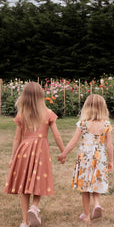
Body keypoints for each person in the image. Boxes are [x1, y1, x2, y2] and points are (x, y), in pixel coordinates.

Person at [4, 82, 65, 227]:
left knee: (25, 186)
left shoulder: (22, 114)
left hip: (24, 151)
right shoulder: (48, 113)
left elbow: (17, 138)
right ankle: (34, 207)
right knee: (40, 181)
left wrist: (13, 158)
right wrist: (63, 151)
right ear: (41, 96)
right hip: (41, 151)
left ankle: (25, 222)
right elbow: (56, 136)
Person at [58, 94, 113, 222]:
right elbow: (109, 145)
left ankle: (87, 215)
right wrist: (110, 161)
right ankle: (97, 203)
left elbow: (73, 141)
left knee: (85, 187)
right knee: (96, 181)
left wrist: (63, 154)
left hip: (85, 158)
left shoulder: (83, 123)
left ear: (86, 108)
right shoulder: (106, 124)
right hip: (100, 157)